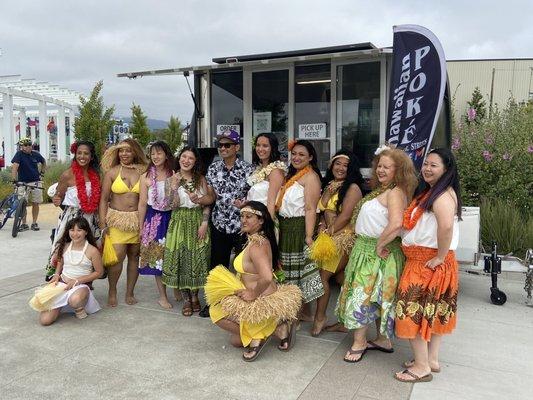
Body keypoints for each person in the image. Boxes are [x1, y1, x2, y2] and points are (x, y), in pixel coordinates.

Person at [336, 146, 418, 363]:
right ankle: (382, 340)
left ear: (398, 170)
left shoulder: (395, 192)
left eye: (387, 167)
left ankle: (360, 342)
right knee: (374, 296)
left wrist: (379, 245)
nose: (380, 170)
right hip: (367, 249)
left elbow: (396, 224)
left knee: (363, 295)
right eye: (379, 165)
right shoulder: (382, 190)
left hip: (378, 252)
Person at [394, 148, 461, 383]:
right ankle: (431, 359)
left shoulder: (442, 195)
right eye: (426, 164)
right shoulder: (435, 192)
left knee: (410, 310)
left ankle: (421, 366)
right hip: (428, 259)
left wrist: (440, 257)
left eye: (434, 165)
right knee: (432, 311)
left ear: (446, 169)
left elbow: (445, 227)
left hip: (428, 261)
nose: (427, 168)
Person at [205, 201, 302, 361]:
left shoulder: (257, 245)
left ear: (261, 220)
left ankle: (260, 334)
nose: (243, 220)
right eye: (242, 216)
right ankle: (279, 328)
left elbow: (266, 276)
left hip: (260, 300)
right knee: (235, 341)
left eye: (249, 217)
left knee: (216, 313)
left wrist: (252, 293)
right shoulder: (258, 239)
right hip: (263, 296)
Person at [200, 129, 254, 317]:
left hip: (241, 226)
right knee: (217, 265)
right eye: (220, 145)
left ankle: (240, 304)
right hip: (219, 223)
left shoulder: (249, 169)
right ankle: (214, 302)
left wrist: (246, 204)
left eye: (227, 145)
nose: (222, 148)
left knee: (241, 266)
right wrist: (198, 199)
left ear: (236, 147)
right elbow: (211, 196)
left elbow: (254, 197)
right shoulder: (213, 169)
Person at [311, 150, 363, 336]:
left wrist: (328, 233)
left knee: (322, 277)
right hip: (328, 236)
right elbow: (322, 209)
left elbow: (345, 216)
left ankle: (320, 317)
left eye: (345, 165)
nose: (340, 168)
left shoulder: (353, 188)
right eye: (337, 164)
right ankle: (346, 320)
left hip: (342, 238)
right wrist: (322, 226)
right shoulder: (330, 185)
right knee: (342, 279)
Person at [162, 146, 214, 316]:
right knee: (182, 259)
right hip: (179, 222)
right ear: (179, 158)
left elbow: (207, 203)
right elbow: (171, 205)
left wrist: (205, 223)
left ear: (195, 162)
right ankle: (186, 299)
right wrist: (175, 188)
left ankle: (195, 296)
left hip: (197, 220)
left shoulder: (201, 179)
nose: (186, 161)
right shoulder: (171, 179)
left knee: (198, 259)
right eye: (184, 157)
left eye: (190, 158)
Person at [276, 139, 324, 320]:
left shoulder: (311, 177)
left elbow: (310, 208)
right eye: (294, 154)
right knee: (286, 270)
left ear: (310, 157)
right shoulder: (292, 175)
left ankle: (296, 313)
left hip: (298, 227)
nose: (296, 157)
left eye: (301, 154)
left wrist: (309, 236)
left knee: (297, 272)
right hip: (285, 226)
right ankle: (294, 311)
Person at [99, 138, 148, 307]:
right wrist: (102, 224)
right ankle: (112, 290)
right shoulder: (112, 172)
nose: (124, 154)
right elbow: (104, 199)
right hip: (117, 220)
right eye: (121, 150)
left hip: (137, 220)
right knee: (117, 257)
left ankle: (130, 292)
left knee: (134, 256)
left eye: (128, 150)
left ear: (135, 152)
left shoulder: (143, 171)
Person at [45, 141, 101, 279]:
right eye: (79, 153)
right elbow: (58, 198)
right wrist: (56, 201)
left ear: (91, 156)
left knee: (87, 251)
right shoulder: (67, 175)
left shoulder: (96, 175)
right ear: (75, 155)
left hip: (90, 219)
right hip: (71, 218)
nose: (82, 156)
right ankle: (59, 279)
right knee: (66, 249)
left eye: (86, 153)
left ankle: (85, 282)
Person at [33, 217, 103, 326]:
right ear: (68, 231)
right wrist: (56, 275)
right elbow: (60, 263)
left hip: (80, 286)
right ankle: (61, 304)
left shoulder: (92, 251)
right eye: (72, 230)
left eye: (79, 230)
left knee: (75, 300)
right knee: (45, 321)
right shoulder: (65, 246)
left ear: (86, 232)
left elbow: (99, 272)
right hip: (63, 284)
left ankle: (79, 307)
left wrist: (78, 281)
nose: (75, 234)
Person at [138, 141, 174, 309]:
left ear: (166, 154)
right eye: (153, 154)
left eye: (159, 153)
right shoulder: (145, 177)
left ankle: (177, 288)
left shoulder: (174, 173)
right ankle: (162, 295)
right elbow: (142, 203)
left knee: (173, 255)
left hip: (173, 217)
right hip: (154, 219)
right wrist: (141, 227)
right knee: (157, 258)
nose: (156, 157)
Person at [245, 132, 286, 218]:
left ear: (272, 148)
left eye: (265, 146)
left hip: (264, 219)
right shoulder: (258, 169)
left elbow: (272, 202)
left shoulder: (276, 171)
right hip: (252, 219)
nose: (260, 149)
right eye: (258, 145)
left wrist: (268, 227)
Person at [11, 137, 46, 231]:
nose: (28, 147)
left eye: (29, 144)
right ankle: (24, 223)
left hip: (36, 181)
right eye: (25, 145)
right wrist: (14, 180)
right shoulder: (19, 154)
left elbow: (43, 162)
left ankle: (34, 223)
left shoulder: (36, 154)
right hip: (22, 182)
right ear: (21, 147)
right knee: (22, 204)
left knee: (35, 203)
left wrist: (42, 173)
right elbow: (15, 167)